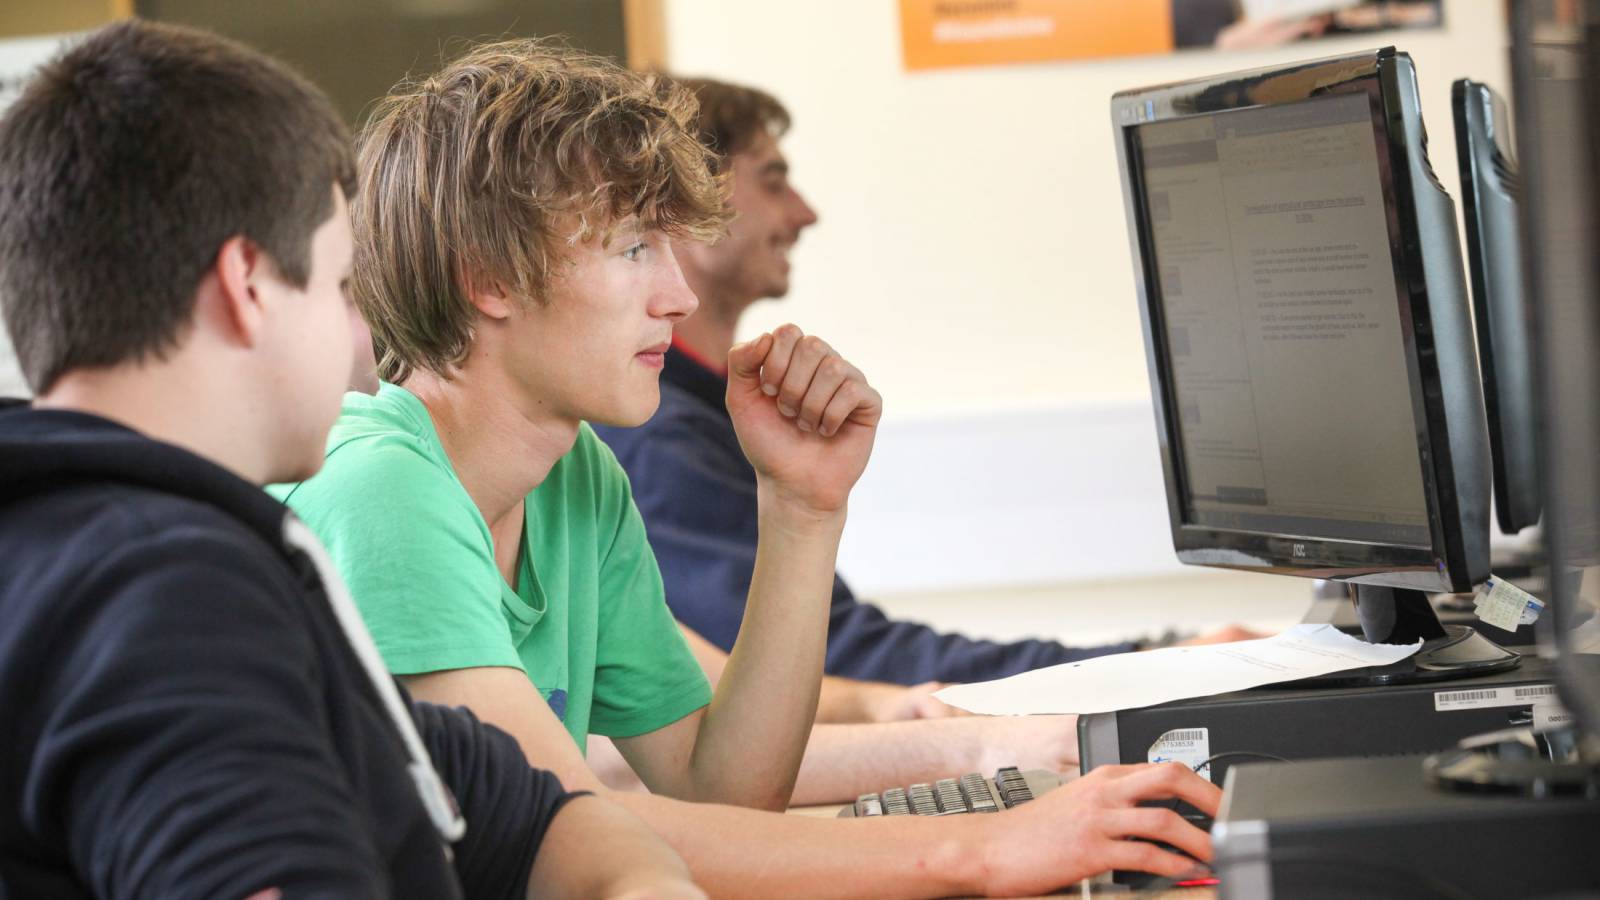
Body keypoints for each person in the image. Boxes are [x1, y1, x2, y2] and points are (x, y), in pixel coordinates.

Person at [278, 37, 1221, 895]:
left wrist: (802, 510)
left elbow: (720, 782)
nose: (678, 294)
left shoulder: (577, 480)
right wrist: (981, 850)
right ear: (484, 274)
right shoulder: (383, 488)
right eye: (634, 247)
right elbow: (560, 836)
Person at [0, 21, 700, 899]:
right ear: (247, 287)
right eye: (339, 287)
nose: (362, 335)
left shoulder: (184, 552)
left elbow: (526, 810)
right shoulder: (167, 592)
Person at [592, 76, 1257, 686]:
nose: (804, 213)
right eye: (773, 181)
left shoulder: (702, 415)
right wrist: (1139, 668)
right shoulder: (658, 441)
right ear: (688, 203)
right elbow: (835, 665)